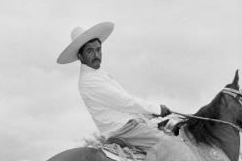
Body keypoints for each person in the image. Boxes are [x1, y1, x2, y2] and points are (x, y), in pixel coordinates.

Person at [57, 22, 172, 150]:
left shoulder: (98, 75)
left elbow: (123, 103)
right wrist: (156, 109)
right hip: (124, 129)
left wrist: (149, 115)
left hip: (129, 125)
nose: (96, 55)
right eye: (90, 51)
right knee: (172, 147)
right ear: (80, 56)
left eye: (98, 49)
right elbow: (124, 101)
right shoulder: (89, 80)